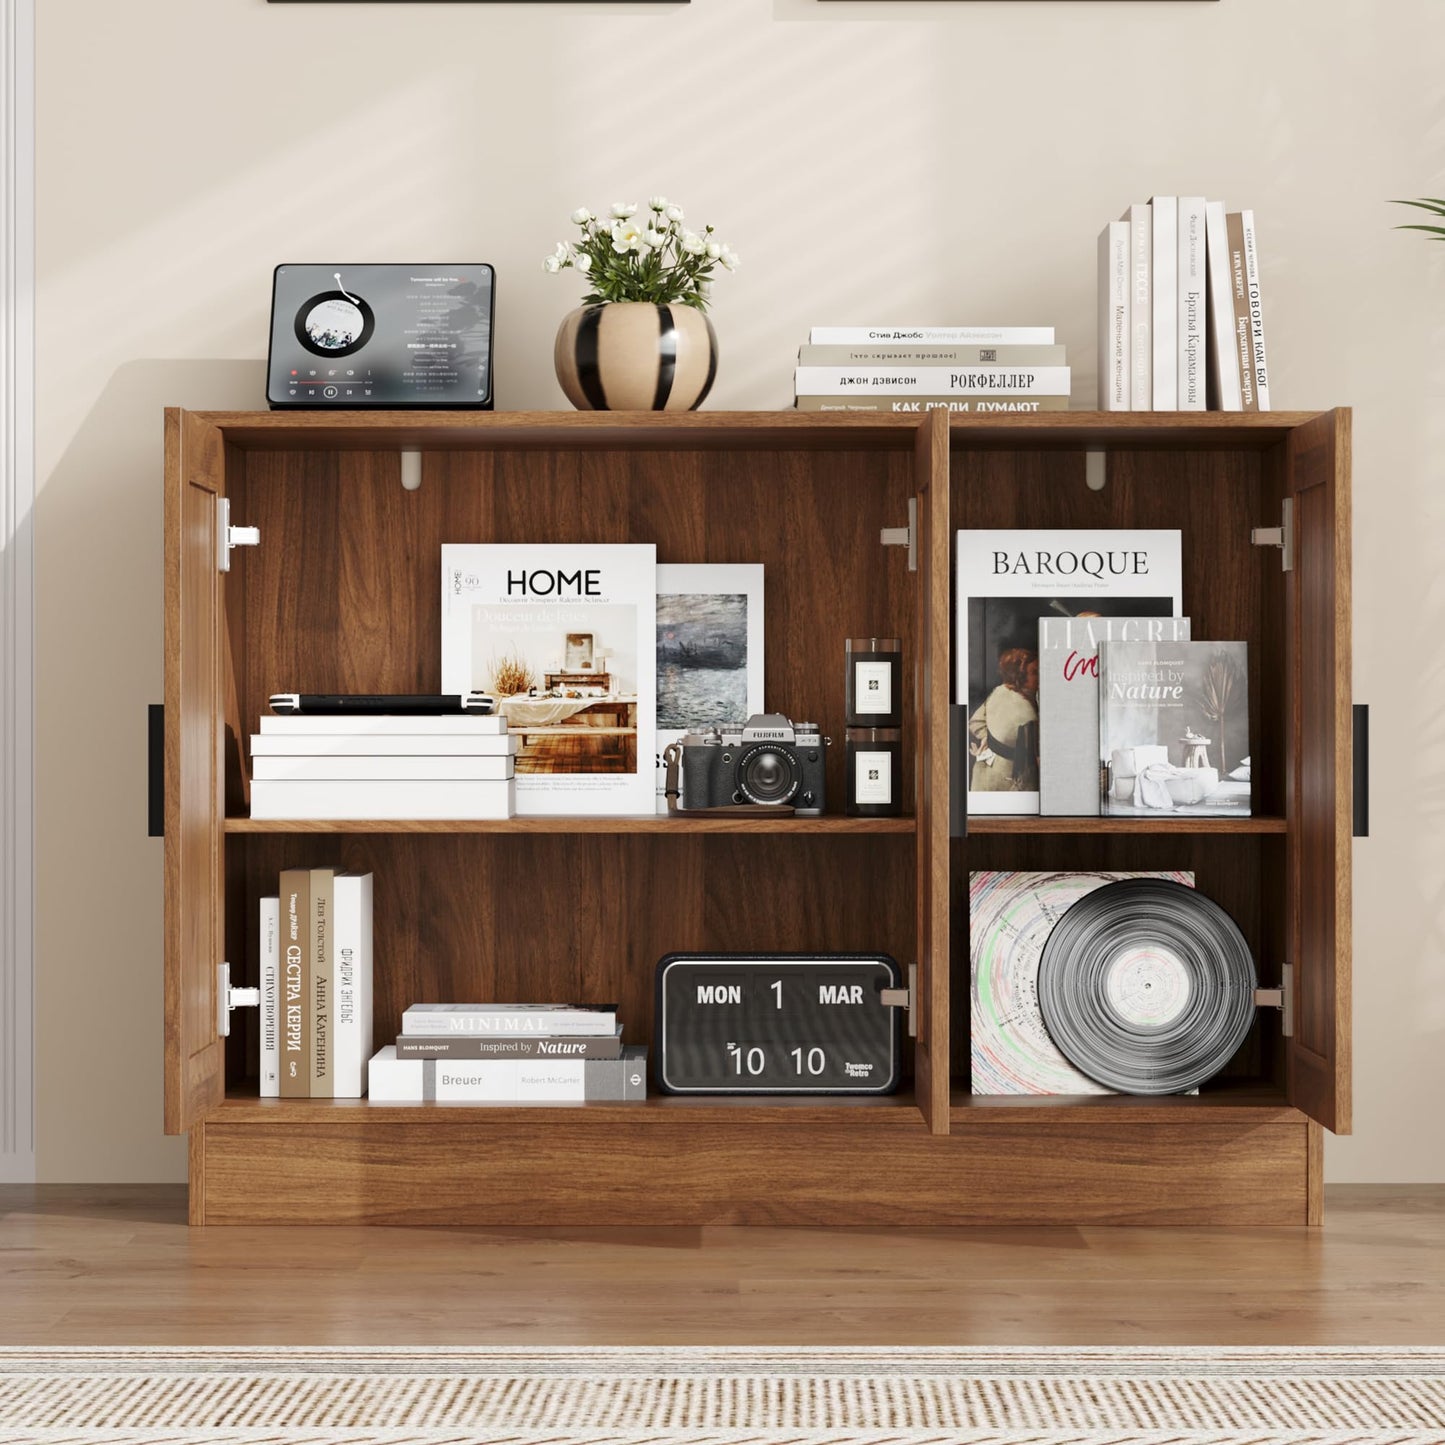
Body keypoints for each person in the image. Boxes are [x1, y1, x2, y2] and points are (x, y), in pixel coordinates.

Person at [968, 647, 1040, 792]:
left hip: (984, 772)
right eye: (1035, 673)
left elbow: (975, 722)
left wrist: (989, 738)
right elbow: (1038, 758)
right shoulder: (1027, 714)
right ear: (1020, 677)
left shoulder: (999, 691)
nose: (1040, 677)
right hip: (1009, 782)